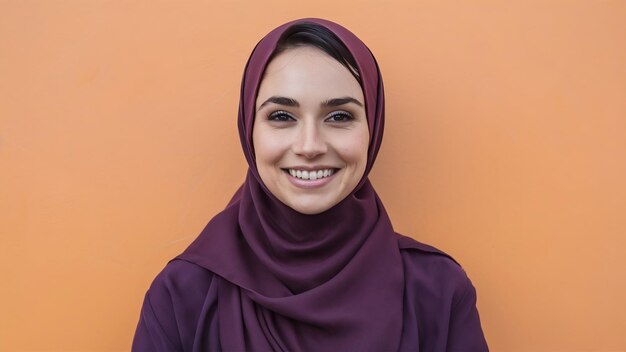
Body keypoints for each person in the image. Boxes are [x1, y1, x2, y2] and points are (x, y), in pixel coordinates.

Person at [132, 18, 488, 351]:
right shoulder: (183, 295)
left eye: (339, 116)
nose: (310, 146)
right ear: (248, 129)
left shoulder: (438, 291)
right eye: (282, 116)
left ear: (373, 128)